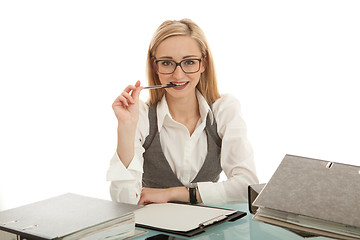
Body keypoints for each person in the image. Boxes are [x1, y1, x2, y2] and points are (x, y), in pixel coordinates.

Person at [107, 19, 258, 205]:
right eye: (167, 63)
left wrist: (175, 193)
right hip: (156, 228)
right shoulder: (142, 116)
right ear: (155, 66)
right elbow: (125, 202)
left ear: (204, 64)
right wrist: (126, 128)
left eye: (189, 62)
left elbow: (247, 187)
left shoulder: (224, 109)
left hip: (210, 227)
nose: (178, 75)